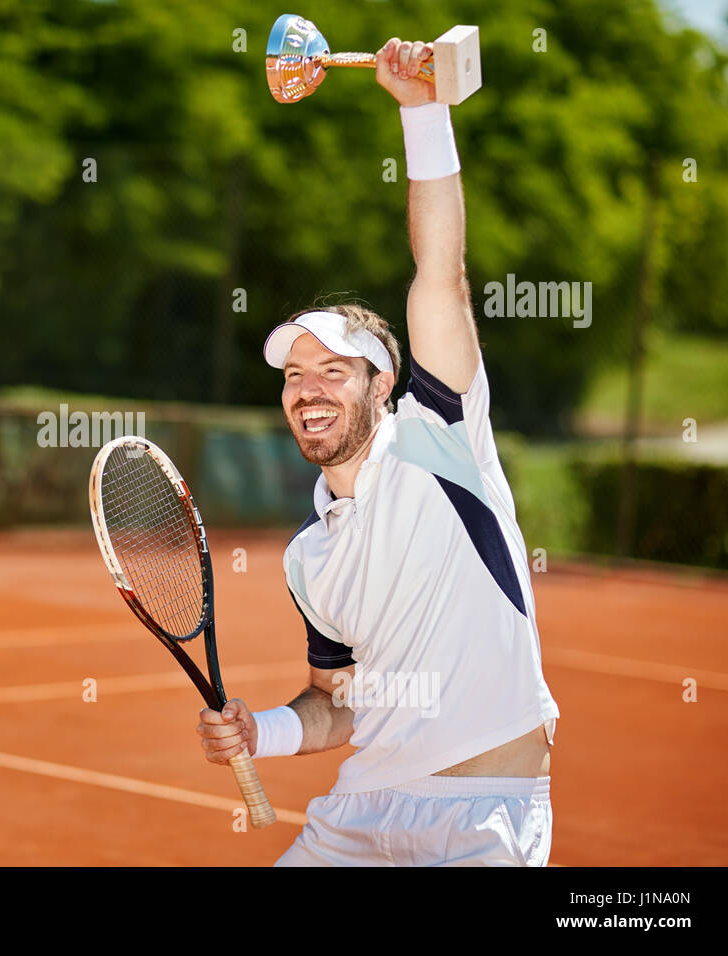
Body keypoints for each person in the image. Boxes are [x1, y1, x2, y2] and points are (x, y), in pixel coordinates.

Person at [197, 38, 559, 866]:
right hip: (355, 816)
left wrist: (421, 112)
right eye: (295, 375)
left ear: (383, 382)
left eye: (333, 370)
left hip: (477, 820)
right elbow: (341, 701)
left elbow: (441, 275)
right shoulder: (306, 556)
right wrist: (267, 729)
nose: (308, 389)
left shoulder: (441, 439)